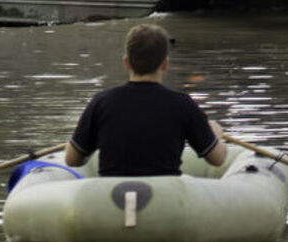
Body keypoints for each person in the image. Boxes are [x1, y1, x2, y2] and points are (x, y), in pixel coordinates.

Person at [65, 25, 227, 177]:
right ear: (165, 64)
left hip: (111, 201)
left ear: (126, 62)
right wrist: (216, 135)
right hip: (165, 199)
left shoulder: (101, 103)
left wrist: (90, 144)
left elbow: (72, 160)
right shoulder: (183, 104)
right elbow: (217, 159)